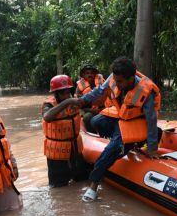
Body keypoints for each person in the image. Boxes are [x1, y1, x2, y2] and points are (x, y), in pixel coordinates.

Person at [67, 57, 161, 202]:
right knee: (95, 121)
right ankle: (121, 144)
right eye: (116, 80)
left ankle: (93, 186)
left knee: (110, 151)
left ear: (131, 78)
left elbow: (151, 120)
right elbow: (99, 91)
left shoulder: (146, 91)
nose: (116, 84)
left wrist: (152, 148)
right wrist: (82, 101)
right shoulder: (114, 77)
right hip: (122, 116)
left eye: (120, 82)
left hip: (135, 124)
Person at [42, 75, 89, 187]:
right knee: (59, 186)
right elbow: (47, 117)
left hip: (75, 147)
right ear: (56, 93)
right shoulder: (49, 105)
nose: (66, 95)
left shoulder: (75, 100)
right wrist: (67, 102)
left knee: (82, 180)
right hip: (57, 151)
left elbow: (89, 104)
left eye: (68, 91)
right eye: (63, 92)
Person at [75, 64, 108, 133]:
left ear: (95, 74)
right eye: (87, 73)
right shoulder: (79, 87)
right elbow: (79, 105)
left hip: (104, 108)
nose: (90, 75)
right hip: (88, 110)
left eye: (92, 73)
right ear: (83, 75)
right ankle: (93, 134)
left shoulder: (103, 83)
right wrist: (91, 110)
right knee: (87, 117)